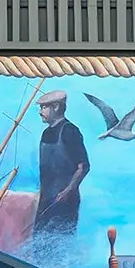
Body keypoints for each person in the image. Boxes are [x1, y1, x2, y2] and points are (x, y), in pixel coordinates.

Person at [34, 90, 91, 237]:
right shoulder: (45, 133)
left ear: (56, 107)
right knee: (40, 243)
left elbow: (83, 166)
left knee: (60, 244)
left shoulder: (70, 131)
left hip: (65, 201)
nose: (40, 112)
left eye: (44, 107)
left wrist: (67, 191)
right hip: (45, 200)